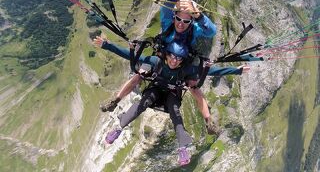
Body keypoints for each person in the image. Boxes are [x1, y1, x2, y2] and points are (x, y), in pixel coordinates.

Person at [93, 36, 249, 166]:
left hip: (172, 95)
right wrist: (107, 45)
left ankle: (182, 147)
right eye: (172, 56)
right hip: (154, 91)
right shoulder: (155, 61)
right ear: (166, 55)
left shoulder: (186, 70)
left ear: (182, 60)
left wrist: (238, 70)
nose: (174, 61)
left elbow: (213, 71)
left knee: (175, 111)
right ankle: (119, 128)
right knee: (144, 102)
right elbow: (130, 55)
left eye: (178, 58)